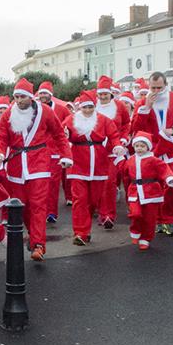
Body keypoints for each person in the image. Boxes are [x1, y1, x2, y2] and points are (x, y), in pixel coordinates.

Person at [0, 79, 73, 261]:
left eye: (22, 97)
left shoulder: (46, 112)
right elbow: (1, 139)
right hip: (16, 165)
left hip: (40, 164)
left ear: (30, 97)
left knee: (38, 205)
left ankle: (38, 245)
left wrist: (66, 155)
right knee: (22, 207)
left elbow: (59, 135)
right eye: (16, 97)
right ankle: (33, 235)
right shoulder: (8, 115)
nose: (19, 100)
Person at [129, 71, 173, 236]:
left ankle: (169, 220)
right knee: (154, 186)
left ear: (165, 85)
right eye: (153, 87)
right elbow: (136, 128)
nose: (156, 91)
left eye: (159, 87)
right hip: (152, 149)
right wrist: (146, 108)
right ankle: (156, 220)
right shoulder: (142, 103)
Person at [62, 91, 124, 246]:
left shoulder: (103, 120)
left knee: (93, 201)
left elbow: (114, 135)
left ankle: (85, 228)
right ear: (80, 108)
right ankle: (80, 232)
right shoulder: (71, 120)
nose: (88, 110)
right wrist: (65, 146)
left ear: (94, 106)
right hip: (78, 163)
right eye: (85, 107)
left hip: (98, 164)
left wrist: (117, 146)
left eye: (90, 107)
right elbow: (61, 136)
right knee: (80, 199)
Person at [116, 133, 173, 250]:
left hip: (151, 192)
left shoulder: (154, 160)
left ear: (148, 147)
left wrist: (169, 178)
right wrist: (119, 157)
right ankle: (135, 231)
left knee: (150, 218)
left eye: (142, 146)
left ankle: (146, 238)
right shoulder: (131, 160)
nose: (139, 148)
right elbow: (123, 169)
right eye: (137, 146)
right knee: (135, 213)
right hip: (135, 192)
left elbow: (164, 169)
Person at [94, 76, 132, 228]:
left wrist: (123, 140)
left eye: (105, 94)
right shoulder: (92, 107)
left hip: (113, 151)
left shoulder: (120, 106)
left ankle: (109, 215)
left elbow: (126, 124)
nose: (103, 97)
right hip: (95, 152)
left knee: (110, 183)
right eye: (100, 94)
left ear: (110, 93)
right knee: (98, 184)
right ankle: (100, 212)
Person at [36, 81, 73, 224]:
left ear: (51, 95)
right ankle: (40, 211)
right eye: (41, 93)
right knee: (40, 184)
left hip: (55, 152)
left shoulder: (62, 109)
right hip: (39, 152)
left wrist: (67, 132)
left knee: (53, 184)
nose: (43, 96)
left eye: (45, 93)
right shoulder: (35, 109)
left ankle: (51, 212)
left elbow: (70, 122)